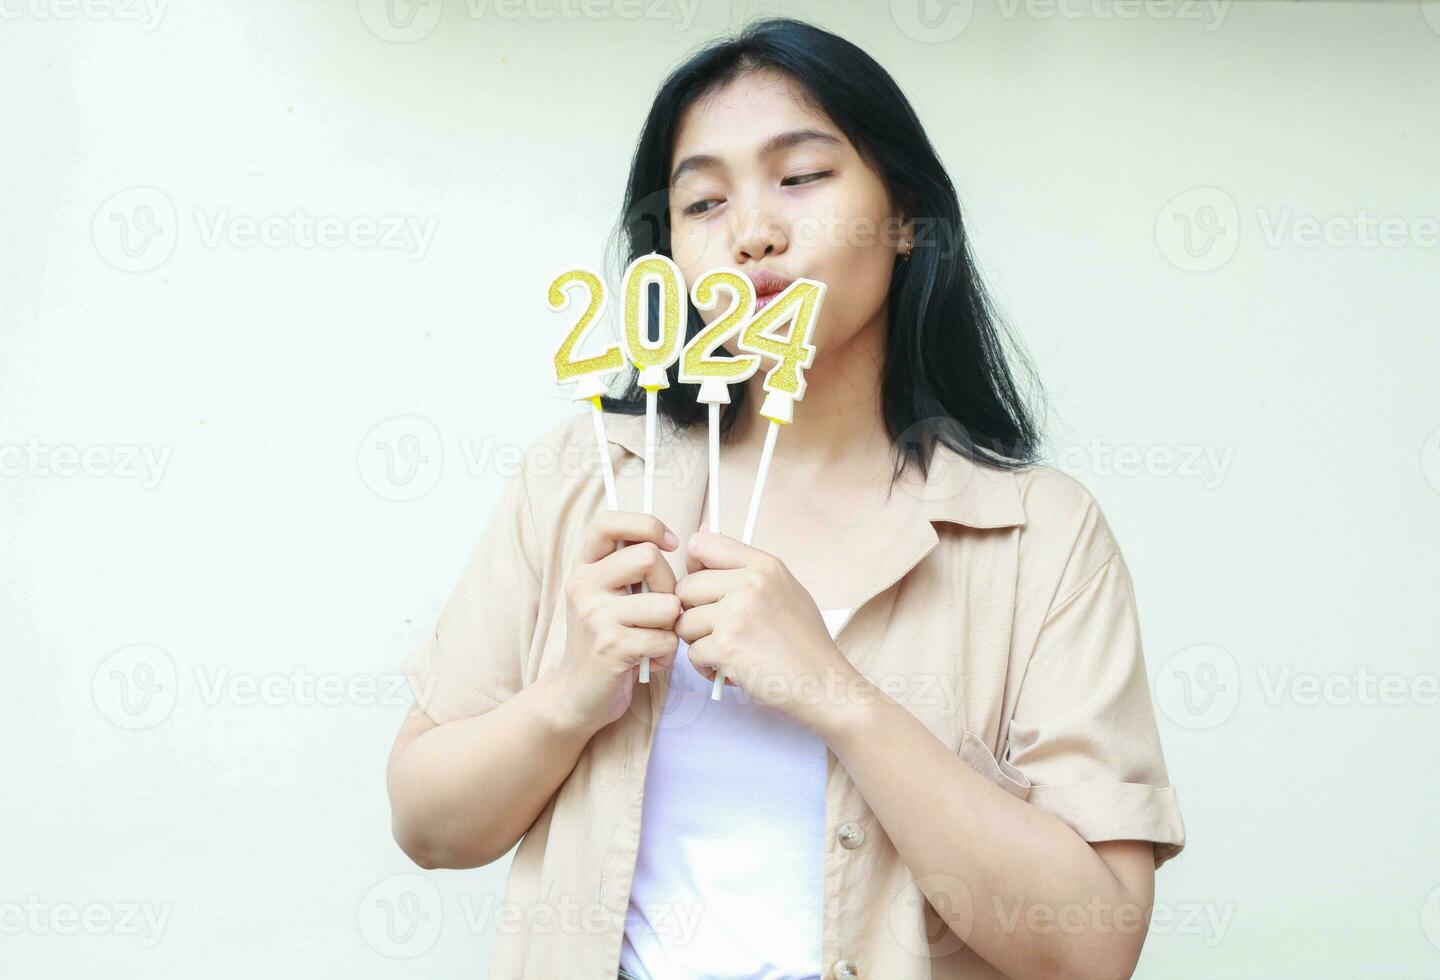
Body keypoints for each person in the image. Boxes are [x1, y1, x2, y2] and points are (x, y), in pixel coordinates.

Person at [387, 17, 1185, 980]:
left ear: (903, 217)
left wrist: (833, 692)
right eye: (704, 202)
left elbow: (1091, 948)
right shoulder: (584, 480)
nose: (753, 231)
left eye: (801, 178)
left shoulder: (1040, 536)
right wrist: (569, 693)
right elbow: (427, 826)